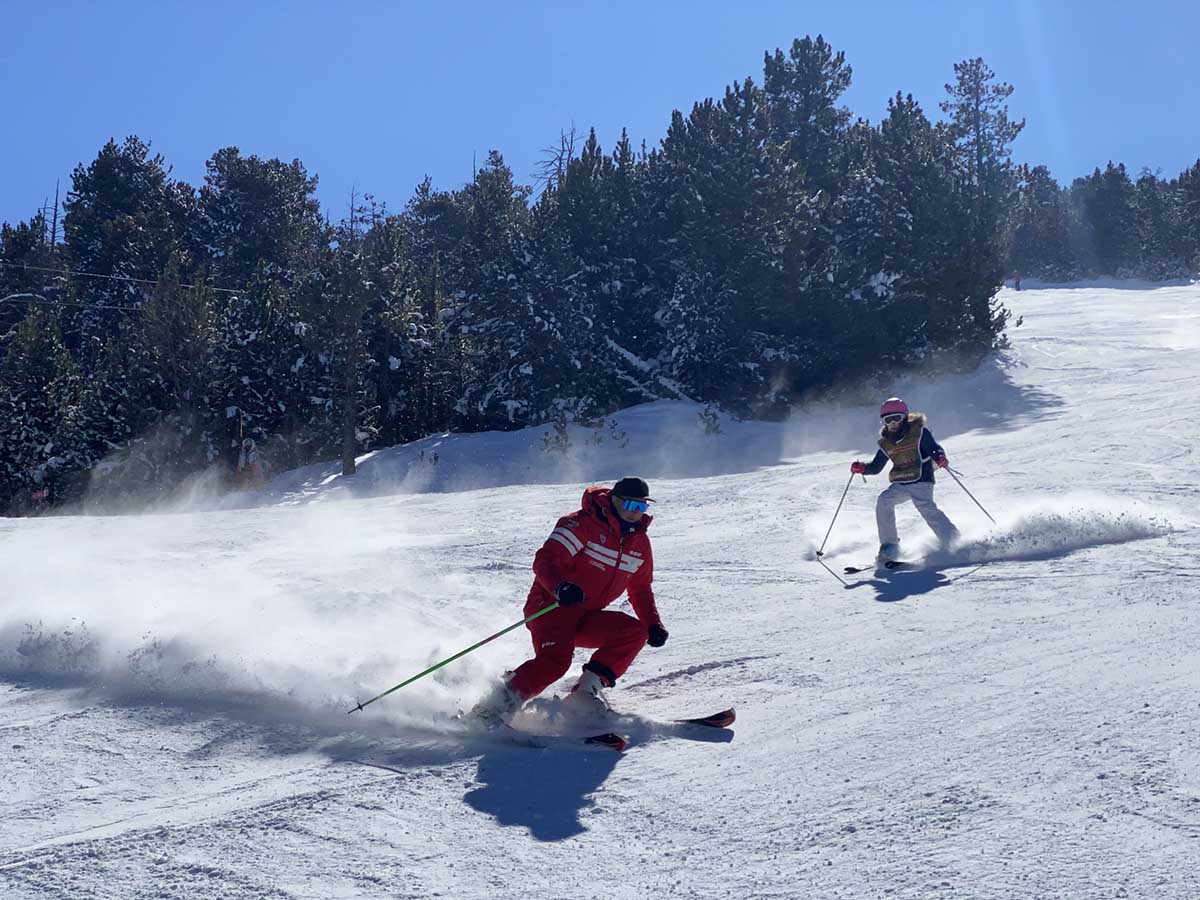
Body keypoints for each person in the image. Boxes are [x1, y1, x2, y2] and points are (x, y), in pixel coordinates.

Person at [472, 476, 667, 725]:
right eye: (631, 506)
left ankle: (583, 696)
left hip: (587, 614)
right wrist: (560, 587)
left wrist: (653, 624)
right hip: (552, 605)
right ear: (615, 501)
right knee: (556, 661)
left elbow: (640, 589)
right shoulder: (582, 524)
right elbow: (546, 560)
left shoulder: (639, 544)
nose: (635, 514)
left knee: (633, 632)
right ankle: (492, 709)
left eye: (641, 508)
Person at [850, 398, 960, 562]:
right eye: (888, 420)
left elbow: (934, 448)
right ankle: (890, 546)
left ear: (905, 417)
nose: (893, 423)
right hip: (901, 482)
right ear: (883, 422)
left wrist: (940, 457)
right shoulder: (886, 443)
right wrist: (863, 468)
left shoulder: (919, 432)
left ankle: (953, 540)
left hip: (921, 478)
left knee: (925, 507)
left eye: (897, 418)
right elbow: (876, 466)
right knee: (884, 501)